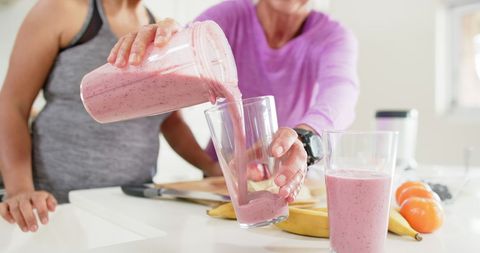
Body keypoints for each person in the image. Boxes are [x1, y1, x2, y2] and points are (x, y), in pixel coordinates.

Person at [0, 0, 307, 233]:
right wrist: (20, 189)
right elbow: (12, 104)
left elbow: (169, 120)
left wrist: (211, 167)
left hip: (131, 198)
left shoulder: (155, 28)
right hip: (54, 200)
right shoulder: (63, 10)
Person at [109, 0, 358, 171]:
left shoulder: (333, 37)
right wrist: (167, 48)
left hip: (291, 177)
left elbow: (340, 94)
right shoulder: (229, 16)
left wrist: (303, 139)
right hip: (226, 177)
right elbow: (180, 63)